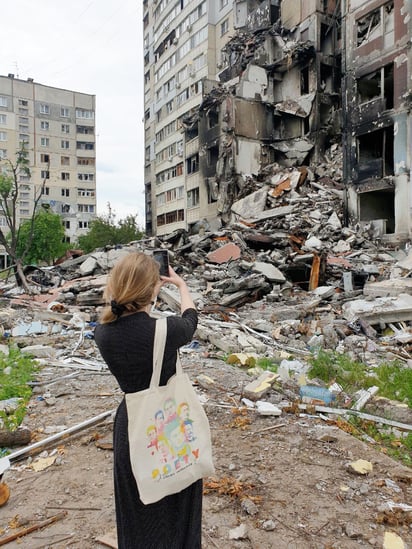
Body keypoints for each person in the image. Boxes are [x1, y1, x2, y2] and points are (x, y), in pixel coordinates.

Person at [94, 252, 201, 549]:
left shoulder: (102, 334)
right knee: (178, 496)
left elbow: (133, 327)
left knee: (138, 503)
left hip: (132, 422)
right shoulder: (166, 330)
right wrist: (180, 286)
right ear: (152, 289)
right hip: (169, 423)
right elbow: (191, 319)